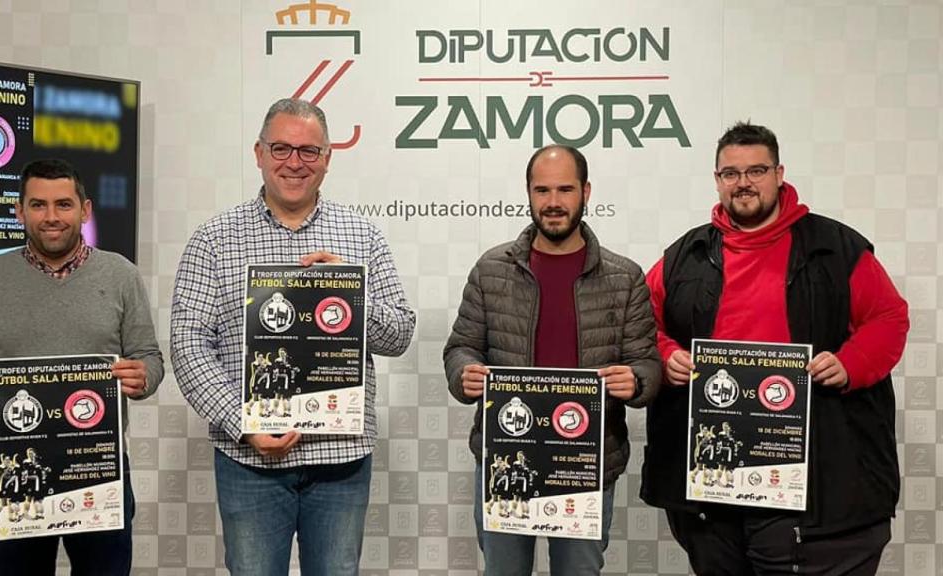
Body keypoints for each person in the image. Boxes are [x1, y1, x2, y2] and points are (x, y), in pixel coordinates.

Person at [641, 122, 909, 575]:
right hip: (714, 486)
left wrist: (850, 363)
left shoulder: (835, 248)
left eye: (756, 170)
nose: (743, 182)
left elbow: (889, 318)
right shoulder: (685, 255)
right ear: (717, 179)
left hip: (814, 478)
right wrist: (666, 355)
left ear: (780, 174)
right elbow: (641, 322)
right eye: (730, 173)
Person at [170, 97, 415, 576]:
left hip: (340, 461)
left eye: (309, 151)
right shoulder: (213, 239)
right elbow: (189, 345)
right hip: (248, 461)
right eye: (281, 148)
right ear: (258, 153)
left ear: (327, 159)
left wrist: (352, 294)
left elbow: (399, 334)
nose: (294, 163)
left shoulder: (363, 236)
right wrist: (244, 422)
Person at [443, 144, 660, 575]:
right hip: (508, 456)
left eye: (565, 189)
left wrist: (635, 381)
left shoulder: (625, 277)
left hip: (586, 462)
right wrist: (463, 373)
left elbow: (647, 363)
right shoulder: (491, 269)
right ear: (528, 193)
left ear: (586, 192)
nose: (554, 202)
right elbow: (460, 346)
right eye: (542, 190)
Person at [0, 158, 164, 575]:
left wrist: (142, 376)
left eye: (63, 205)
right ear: (19, 211)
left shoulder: (121, 274)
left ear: (85, 210)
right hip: (14, 473)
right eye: (38, 205)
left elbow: (150, 359)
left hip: (99, 467)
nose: (51, 217)